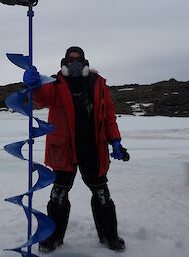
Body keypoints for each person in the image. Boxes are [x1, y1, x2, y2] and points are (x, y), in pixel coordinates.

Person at [23, 46, 129, 253]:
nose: (74, 64)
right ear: (64, 63)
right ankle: (53, 238)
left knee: (101, 194)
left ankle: (109, 236)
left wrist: (115, 140)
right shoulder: (55, 83)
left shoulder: (98, 84)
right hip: (64, 150)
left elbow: (108, 116)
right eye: (70, 61)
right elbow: (42, 98)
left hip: (93, 149)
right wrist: (34, 85)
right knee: (58, 195)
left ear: (85, 62)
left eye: (78, 60)